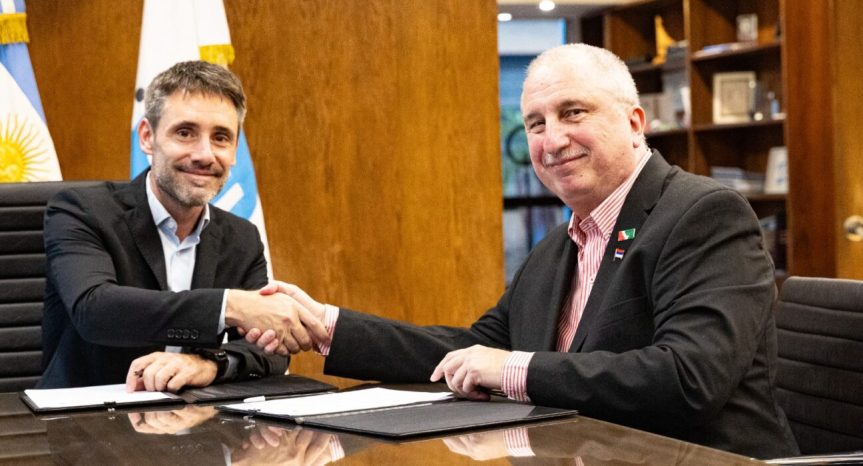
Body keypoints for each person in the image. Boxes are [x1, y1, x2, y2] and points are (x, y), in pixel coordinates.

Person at [253, 43, 798, 458]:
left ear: (635, 123)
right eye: (536, 123)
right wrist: (327, 326)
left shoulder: (704, 215)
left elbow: (687, 379)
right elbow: (468, 351)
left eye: (573, 113)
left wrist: (514, 369)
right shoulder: (559, 246)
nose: (552, 140)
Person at [38, 60, 328, 392]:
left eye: (221, 137)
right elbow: (95, 311)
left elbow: (269, 349)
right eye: (185, 133)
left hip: (194, 416)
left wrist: (208, 364)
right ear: (147, 137)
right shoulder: (81, 211)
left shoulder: (242, 238)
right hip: (84, 415)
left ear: (235, 151)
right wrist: (231, 306)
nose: (205, 154)